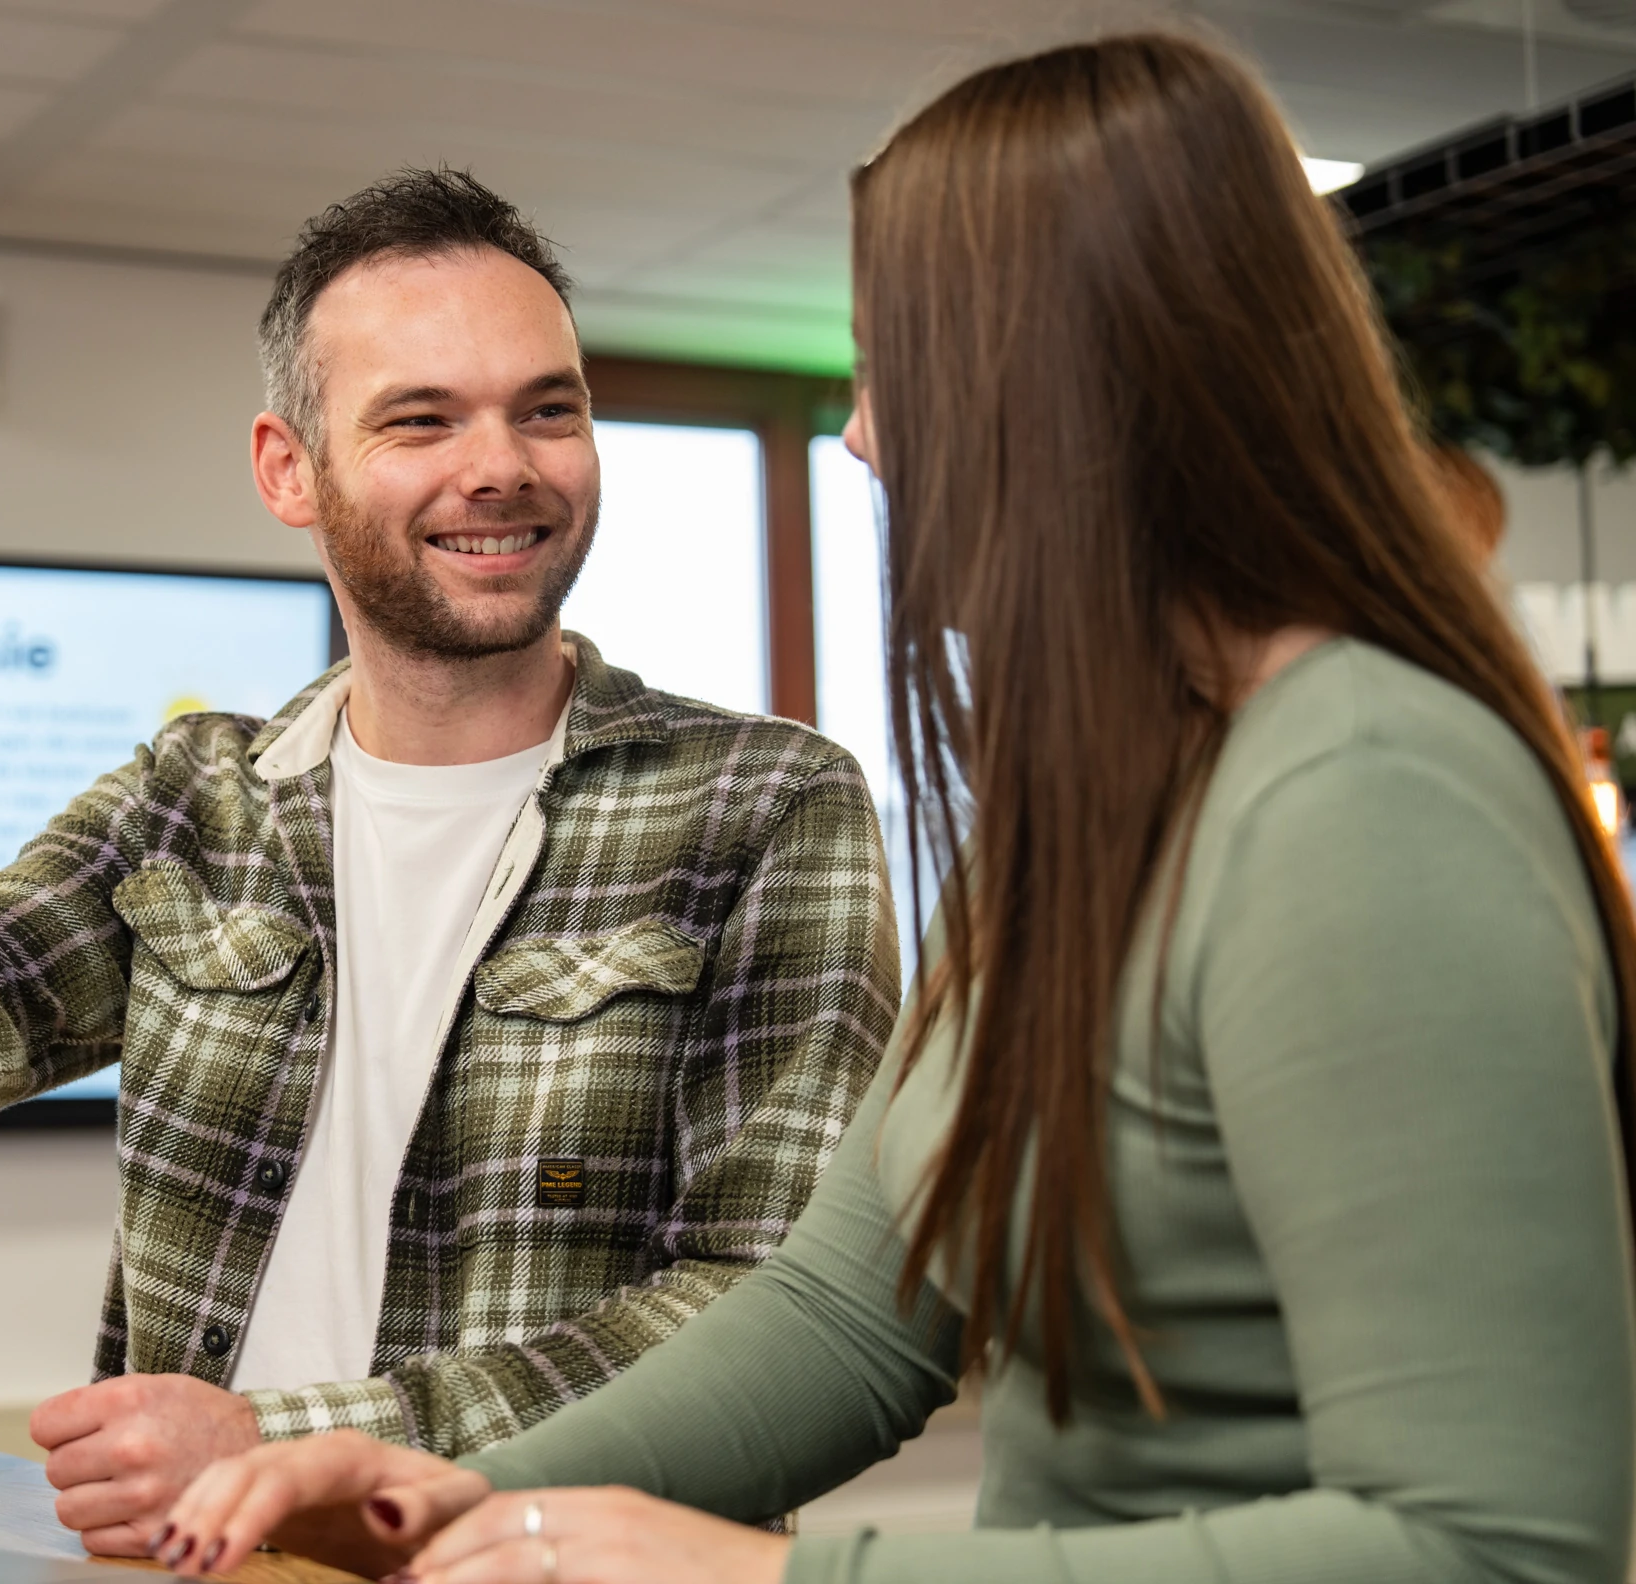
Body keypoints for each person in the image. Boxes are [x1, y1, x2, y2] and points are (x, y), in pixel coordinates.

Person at [153, 36, 1636, 1584]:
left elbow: (1494, 1549)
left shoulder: (1365, 799)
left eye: (887, 367)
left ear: (1066, 383)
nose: (859, 437)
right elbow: (854, 1319)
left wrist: (768, 1578)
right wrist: (449, 1500)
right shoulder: (1094, 807)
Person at [0, 170, 898, 1557]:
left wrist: (281, 1443)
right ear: (289, 469)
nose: (505, 466)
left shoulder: (767, 807)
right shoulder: (202, 794)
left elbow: (765, 1311)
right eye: (421, 419)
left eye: (549, 409)